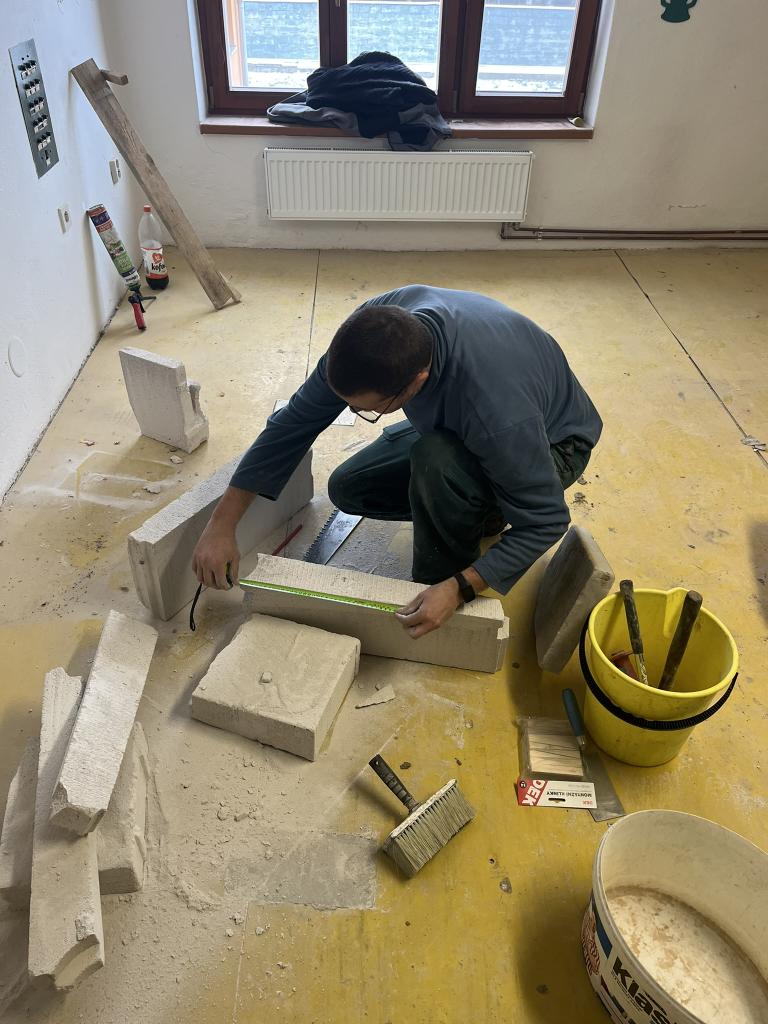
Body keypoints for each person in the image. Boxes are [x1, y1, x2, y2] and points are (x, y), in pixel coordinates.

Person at [192, 284, 602, 638]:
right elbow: (294, 423)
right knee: (350, 487)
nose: (356, 412)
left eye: (368, 410)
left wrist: (458, 587)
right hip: (478, 423)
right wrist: (221, 524)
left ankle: (444, 579)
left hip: (552, 443)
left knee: (436, 463)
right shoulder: (376, 328)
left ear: (417, 381)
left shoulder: (495, 412)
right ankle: (483, 508)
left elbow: (545, 522)